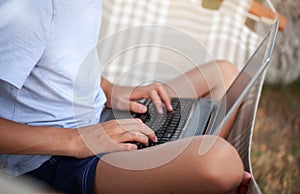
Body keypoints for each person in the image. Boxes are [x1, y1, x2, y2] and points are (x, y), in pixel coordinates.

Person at [0, 1, 251, 194]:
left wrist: (110, 91)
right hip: (53, 161)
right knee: (219, 160)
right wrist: (76, 141)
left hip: (97, 120)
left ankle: (181, 168)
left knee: (223, 75)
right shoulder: (29, 10)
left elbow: (58, 62)